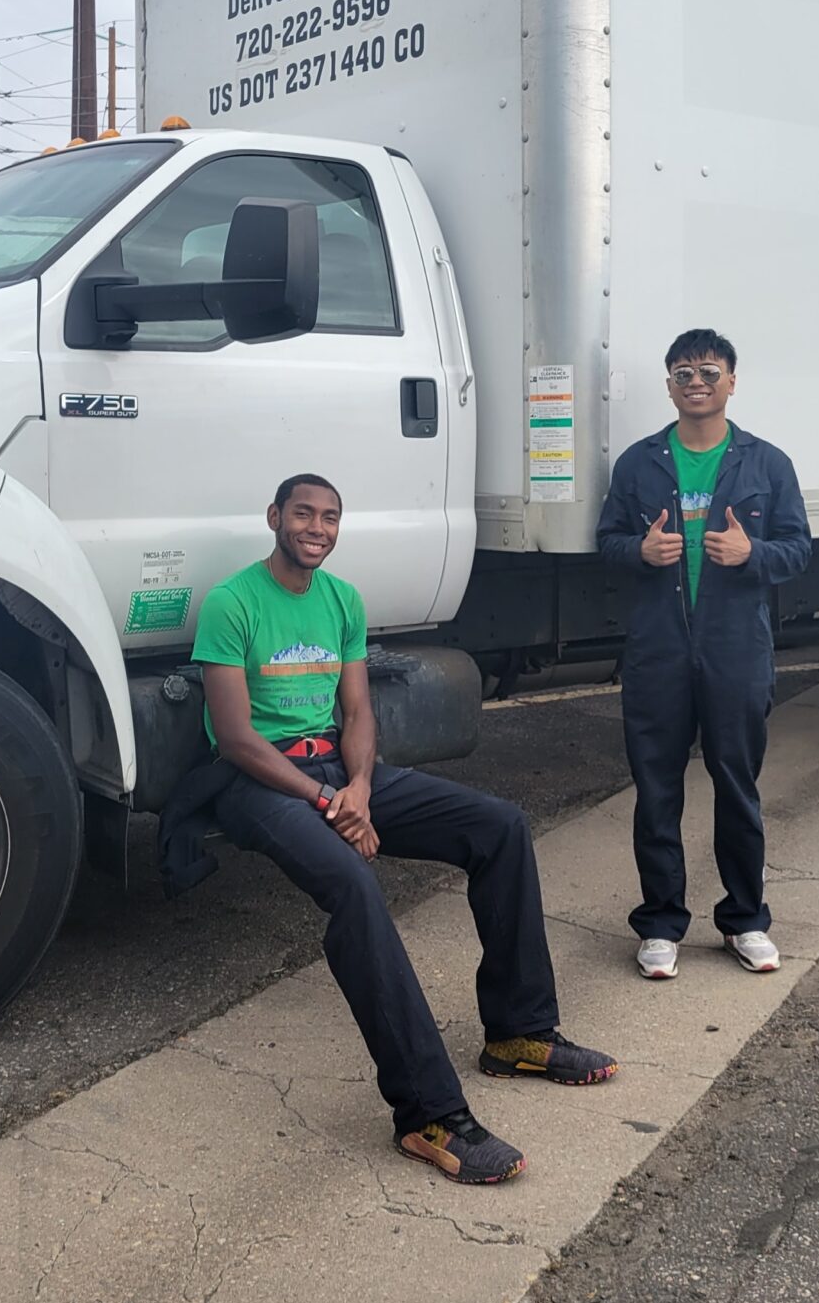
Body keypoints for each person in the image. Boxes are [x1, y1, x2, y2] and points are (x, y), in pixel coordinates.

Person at [186, 473, 617, 1185]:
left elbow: (357, 713)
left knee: (500, 827)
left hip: (338, 770)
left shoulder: (341, 599)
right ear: (275, 518)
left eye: (328, 517)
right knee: (355, 887)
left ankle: (519, 1032)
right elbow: (236, 739)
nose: (316, 527)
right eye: (303, 514)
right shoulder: (234, 602)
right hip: (257, 784)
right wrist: (329, 806)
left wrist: (357, 786)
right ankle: (427, 1115)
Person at [597, 329, 811, 981]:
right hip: (659, 652)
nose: (697, 382)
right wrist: (638, 552)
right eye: (685, 372)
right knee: (657, 791)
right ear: (669, 384)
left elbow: (799, 548)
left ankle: (745, 919)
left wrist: (755, 556)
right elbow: (605, 540)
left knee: (736, 787)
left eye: (709, 372)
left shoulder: (765, 463)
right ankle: (661, 923)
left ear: (731, 382)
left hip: (735, 650)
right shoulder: (639, 463)